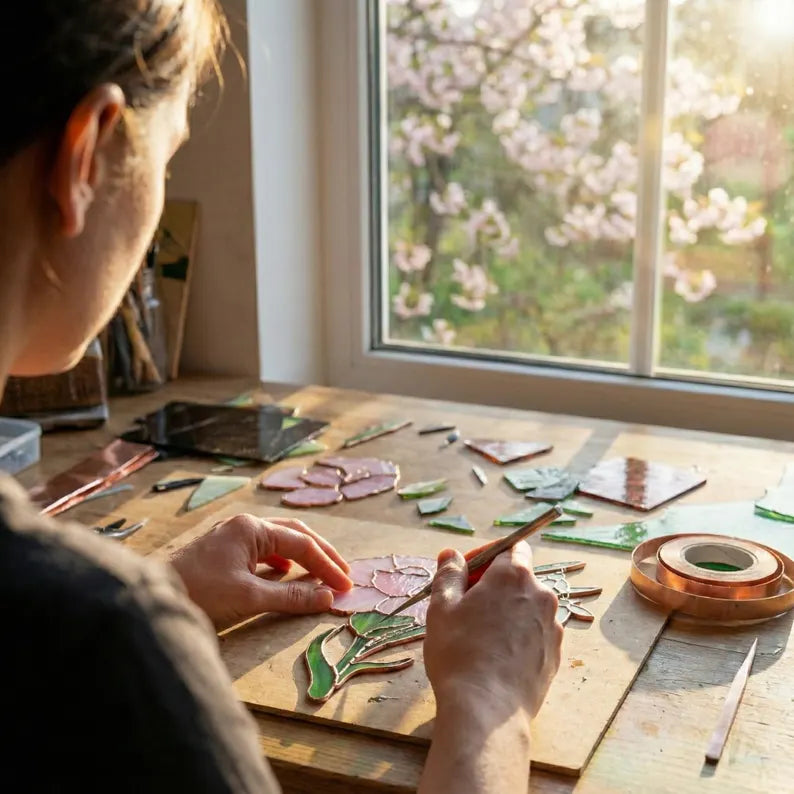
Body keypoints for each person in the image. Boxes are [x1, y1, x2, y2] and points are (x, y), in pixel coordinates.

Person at [0, 2, 563, 792]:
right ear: (84, 157)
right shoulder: (100, 648)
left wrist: (166, 592)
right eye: (170, 160)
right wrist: (490, 706)